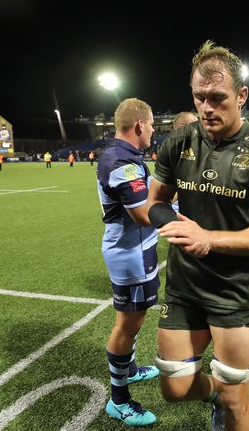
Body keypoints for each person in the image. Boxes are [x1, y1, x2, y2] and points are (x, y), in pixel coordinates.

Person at [147, 40, 249, 431]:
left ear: (241, 95)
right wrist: (172, 222)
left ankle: (227, 398)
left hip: (235, 289)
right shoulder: (177, 143)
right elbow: (155, 202)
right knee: (174, 389)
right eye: (200, 98)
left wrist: (208, 238)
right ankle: (215, 392)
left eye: (218, 97)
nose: (208, 107)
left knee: (236, 399)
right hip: (184, 285)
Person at [96, 98, 160, 427]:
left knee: (136, 317)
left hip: (139, 248)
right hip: (129, 253)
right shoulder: (121, 161)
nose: (152, 130)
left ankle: (131, 370)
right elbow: (143, 213)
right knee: (127, 323)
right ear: (138, 125)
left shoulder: (128, 156)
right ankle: (118, 400)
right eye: (150, 125)